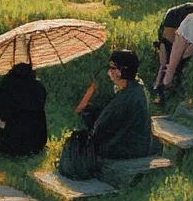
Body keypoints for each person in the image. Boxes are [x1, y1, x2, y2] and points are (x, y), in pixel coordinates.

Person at [58, 50, 159, 179]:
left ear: (122, 71)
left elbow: (101, 127)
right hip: (140, 144)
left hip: (127, 148)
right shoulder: (137, 88)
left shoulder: (126, 97)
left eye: (113, 68)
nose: (109, 72)